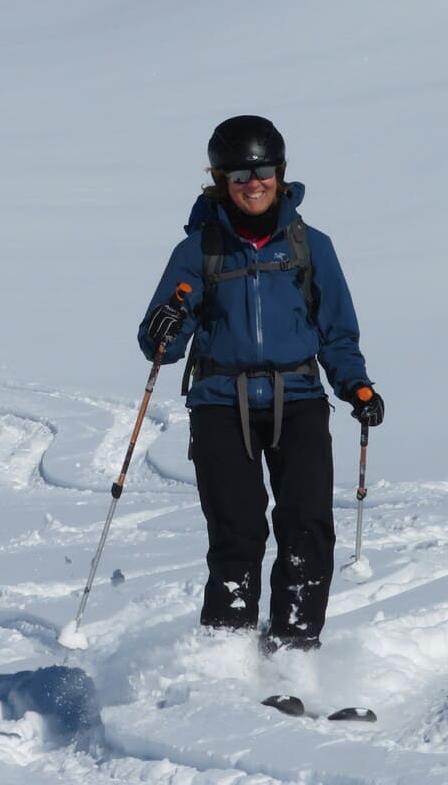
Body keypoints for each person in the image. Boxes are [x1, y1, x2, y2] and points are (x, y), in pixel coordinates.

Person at [137, 115, 384, 652]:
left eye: (265, 170)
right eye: (241, 174)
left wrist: (356, 387)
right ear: (220, 180)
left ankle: (295, 647)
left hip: (298, 401)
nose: (255, 183)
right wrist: (163, 327)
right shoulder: (198, 251)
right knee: (238, 532)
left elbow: (337, 332)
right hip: (220, 405)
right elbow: (163, 346)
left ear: (282, 172)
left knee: (308, 527)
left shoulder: (309, 246)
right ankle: (227, 654)